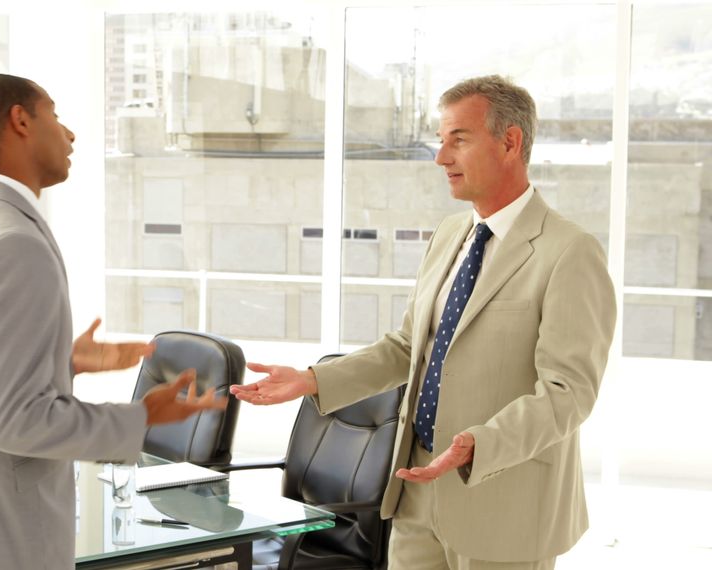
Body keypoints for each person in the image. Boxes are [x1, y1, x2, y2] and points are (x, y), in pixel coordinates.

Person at [231, 75, 615, 570]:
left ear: (510, 142)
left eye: (459, 139)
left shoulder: (569, 252)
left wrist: (479, 445)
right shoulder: (450, 234)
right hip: (415, 492)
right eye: (441, 141)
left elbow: (568, 391)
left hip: (504, 501)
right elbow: (407, 346)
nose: (441, 158)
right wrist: (311, 380)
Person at [0, 73, 227, 569]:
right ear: (21, 120)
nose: (70, 134)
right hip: (1, 538)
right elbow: (17, 423)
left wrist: (59, 360)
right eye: (55, 116)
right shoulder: (13, 243)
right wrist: (142, 418)